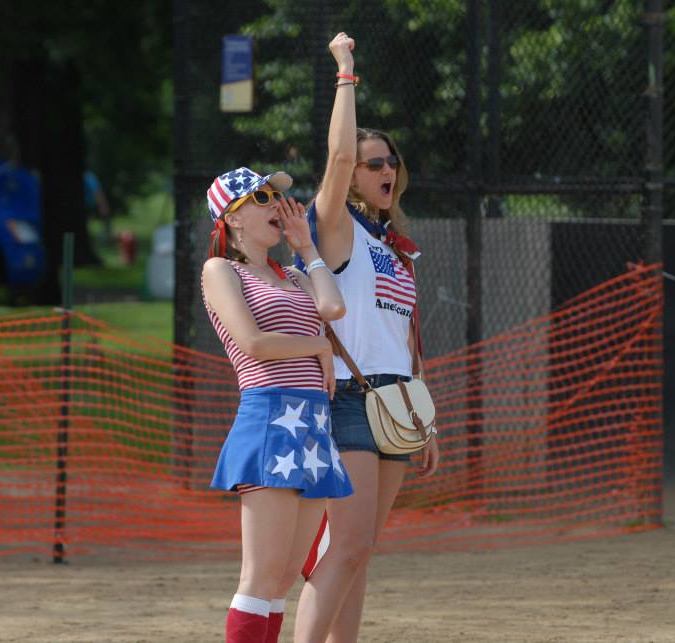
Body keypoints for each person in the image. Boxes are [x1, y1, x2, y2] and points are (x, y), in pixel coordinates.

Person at [293, 32, 440, 643]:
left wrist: (425, 417)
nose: (386, 169)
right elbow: (334, 158)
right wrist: (346, 72)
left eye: (391, 161)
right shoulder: (337, 230)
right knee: (347, 546)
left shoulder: (395, 248)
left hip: (397, 402)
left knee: (361, 552)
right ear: (354, 179)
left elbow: (403, 340)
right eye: (373, 162)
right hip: (348, 399)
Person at [201, 166, 353, 643]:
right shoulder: (220, 269)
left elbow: (332, 308)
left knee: (284, 578)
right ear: (232, 218)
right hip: (270, 417)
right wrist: (318, 348)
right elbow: (252, 342)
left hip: (311, 425)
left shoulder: (291, 273)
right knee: (261, 576)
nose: (276, 205)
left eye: (276, 195)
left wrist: (306, 247)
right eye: (262, 197)